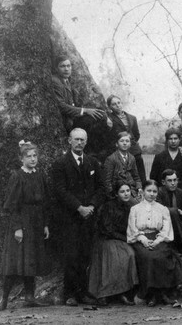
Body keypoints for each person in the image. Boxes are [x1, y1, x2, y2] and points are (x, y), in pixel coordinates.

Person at [51, 128, 106, 306]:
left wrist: (91, 206)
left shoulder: (92, 163)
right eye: (76, 139)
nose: (80, 143)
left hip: (89, 217)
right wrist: (78, 207)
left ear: (86, 141)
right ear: (69, 141)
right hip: (69, 218)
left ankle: (83, 292)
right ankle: (70, 293)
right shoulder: (60, 163)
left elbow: (101, 188)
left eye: (82, 140)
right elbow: (60, 190)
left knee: (85, 255)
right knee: (71, 255)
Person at [0, 140, 50, 312]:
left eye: (35, 156)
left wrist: (45, 225)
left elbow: (46, 202)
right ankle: (4, 299)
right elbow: (11, 205)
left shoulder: (40, 175)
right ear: (21, 159)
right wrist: (17, 228)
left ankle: (30, 297)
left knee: (31, 260)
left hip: (37, 222)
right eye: (29, 156)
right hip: (21, 222)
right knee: (14, 261)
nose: (33, 159)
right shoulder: (17, 176)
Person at [127, 180, 182, 307]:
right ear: (143, 192)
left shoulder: (162, 209)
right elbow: (133, 228)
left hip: (158, 238)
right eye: (149, 191)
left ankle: (161, 292)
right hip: (140, 239)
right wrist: (143, 239)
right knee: (148, 257)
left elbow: (166, 228)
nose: (152, 194)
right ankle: (150, 293)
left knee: (162, 256)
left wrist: (158, 240)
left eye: (154, 191)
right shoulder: (135, 209)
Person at [88, 182, 139, 306]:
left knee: (130, 254)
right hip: (106, 239)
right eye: (122, 191)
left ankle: (123, 292)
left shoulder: (130, 206)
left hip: (122, 239)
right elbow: (106, 229)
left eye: (128, 190)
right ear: (116, 194)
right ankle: (105, 293)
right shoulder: (108, 207)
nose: (126, 194)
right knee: (116, 256)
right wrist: (125, 238)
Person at [51, 55, 109, 133]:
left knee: (101, 114)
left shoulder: (67, 80)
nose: (66, 69)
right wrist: (84, 110)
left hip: (74, 117)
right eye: (62, 66)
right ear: (56, 68)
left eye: (68, 66)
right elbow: (61, 105)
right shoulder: (56, 81)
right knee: (100, 117)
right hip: (67, 121)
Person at [150, 128, 182, 209]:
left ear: (179, 140)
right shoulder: (160, 157)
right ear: (167, 140)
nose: (173, 141)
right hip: (163, 195)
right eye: (170, 139)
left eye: (175, 138)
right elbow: (153, 177)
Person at [106, 95, 146, 183]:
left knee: (140, 175)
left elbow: (136, 134)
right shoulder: (109, 118)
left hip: (135, 151)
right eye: (114, 104)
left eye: (118, 103)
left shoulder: (132, 118)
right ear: (110, 107)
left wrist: (131, 143)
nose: (117, 105)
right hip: (119, 151)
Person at [156, 169, 182, 254]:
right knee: (173, 212)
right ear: (163, 182)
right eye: (169, 180)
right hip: (163, 221)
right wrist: (177, 210)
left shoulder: (180, 192)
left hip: (178, 221)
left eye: (175, 180)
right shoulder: (159, 192)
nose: (173, 183)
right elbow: (160, 209)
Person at [104, 132, 142, 200]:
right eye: (122, 141)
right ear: (116, 144)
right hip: (117, 193)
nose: (125, 143)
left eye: (127, 141)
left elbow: (136, 177)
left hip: (132, 191)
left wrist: (139, 188)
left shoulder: (132, 158)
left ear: (130, 144)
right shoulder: (111, 159)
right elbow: (107, 181)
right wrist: (112, 196)